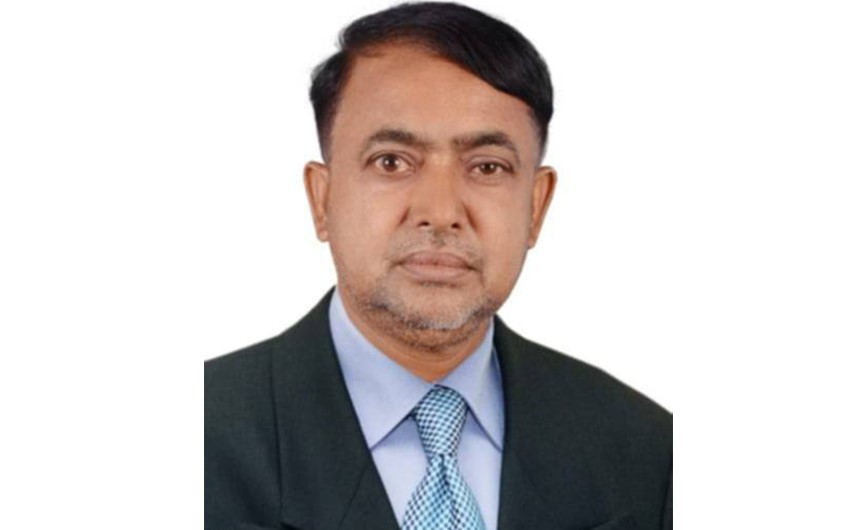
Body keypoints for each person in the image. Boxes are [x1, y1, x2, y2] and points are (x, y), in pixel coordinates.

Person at [205, 2, 672, 529]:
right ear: (322, 199)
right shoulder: (201, 435)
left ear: (536, 206)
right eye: (391, 161)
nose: (441, 211)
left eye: (487, 166)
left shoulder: (645, 451)